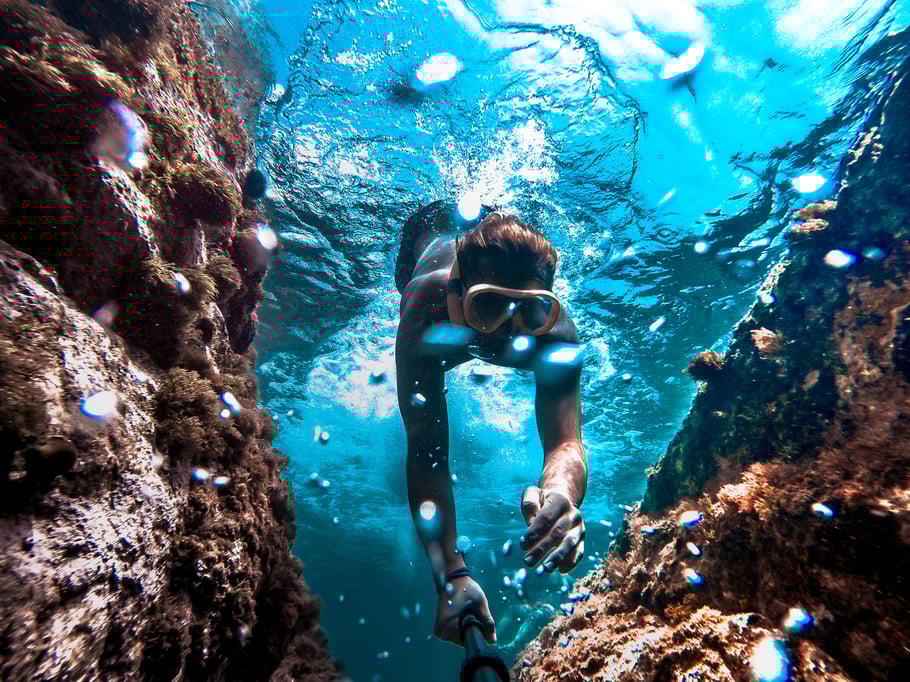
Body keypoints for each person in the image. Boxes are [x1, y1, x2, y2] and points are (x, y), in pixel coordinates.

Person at [395, 199, 588, 648]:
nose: (508, 331)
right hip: (425, 230)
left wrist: (560, 490)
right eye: (488, 308)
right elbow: (427, 454)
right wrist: (451, 574)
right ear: (456, 293)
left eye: (529, 311)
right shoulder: (424, 309)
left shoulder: (556, 334)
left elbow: (566, 442)